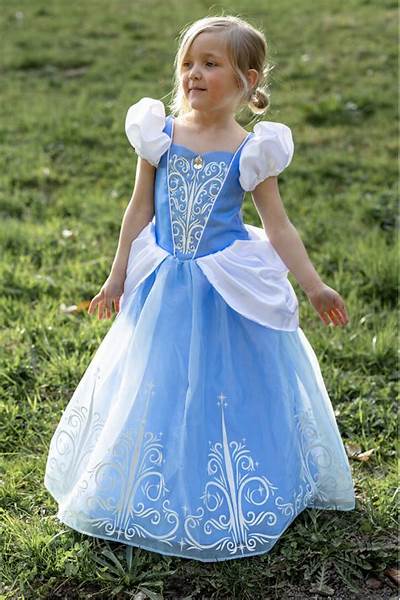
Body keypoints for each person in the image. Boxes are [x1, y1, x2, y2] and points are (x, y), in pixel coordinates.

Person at [44, 14, 356, 563]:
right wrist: (117, 275)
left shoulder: (251, 150)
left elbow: (278, 226)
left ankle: (232, 475)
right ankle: (147, 474)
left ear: (247, 81)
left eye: (210, 64)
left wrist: (314, 285)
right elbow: (138, 209)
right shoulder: (159, 134)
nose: (193, 73)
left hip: (223, 288)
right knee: (155, 378)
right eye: (188, 62)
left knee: (222, 384)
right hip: (165, 284)